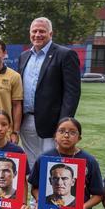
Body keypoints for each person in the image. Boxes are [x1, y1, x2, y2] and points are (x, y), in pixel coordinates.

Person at [18, 17, 81, 166]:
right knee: (32, 165)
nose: (37, 35)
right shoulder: (24, 56)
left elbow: (72, 93)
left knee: (51, 164)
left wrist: (63, 125)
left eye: (42, 31)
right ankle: (35, 190)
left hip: (52, 123)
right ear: (30, 33)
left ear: (51, 34)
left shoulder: (65, 55)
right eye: (34, 31)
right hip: (26, 121)